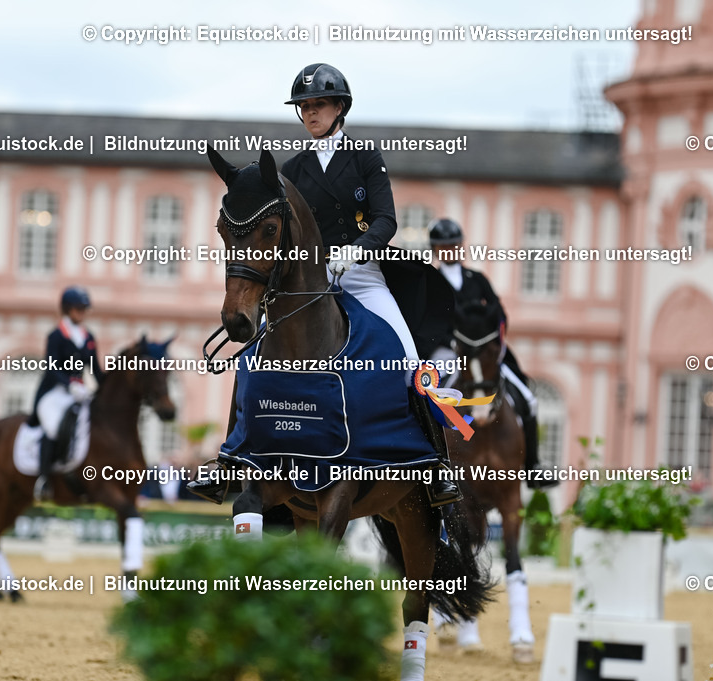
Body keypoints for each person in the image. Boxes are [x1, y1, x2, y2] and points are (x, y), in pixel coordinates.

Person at [188, 63, 460, 507]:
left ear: (340, 107)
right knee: (253, 358)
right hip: (309, 283)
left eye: (319, 105)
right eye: (305, 107)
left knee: (409, 361)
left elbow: (387, 219)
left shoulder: (365, 157)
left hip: (363, 277)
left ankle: (435, 467)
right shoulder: (291, 169)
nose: (311, 113)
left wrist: (357, 249)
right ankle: (232, 458)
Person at [428, 218, 554, 489]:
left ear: (460, 246)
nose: (449, 250)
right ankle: (434, 465)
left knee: (529, 398)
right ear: (436, 249)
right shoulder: (432, 281)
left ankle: (533, 466)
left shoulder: (477, 279)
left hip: (484, 353)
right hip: (449, 351)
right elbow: (430, 319)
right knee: (432, 399)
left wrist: (494, 342)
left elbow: (499, 313)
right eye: (443, 246)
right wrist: (449, 342)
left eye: (453, 245)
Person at [30, 286, 104, 501]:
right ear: (67, 309)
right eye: (77, 308)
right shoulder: (56, 335)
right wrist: (69, 384)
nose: (81, 312)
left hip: (79, 392)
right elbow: (52, 367)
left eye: (83, 309)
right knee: (53, 427)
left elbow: (96, 370)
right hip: (54, 391)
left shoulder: (88, 336)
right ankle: (44, 478)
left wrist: (105, 389)